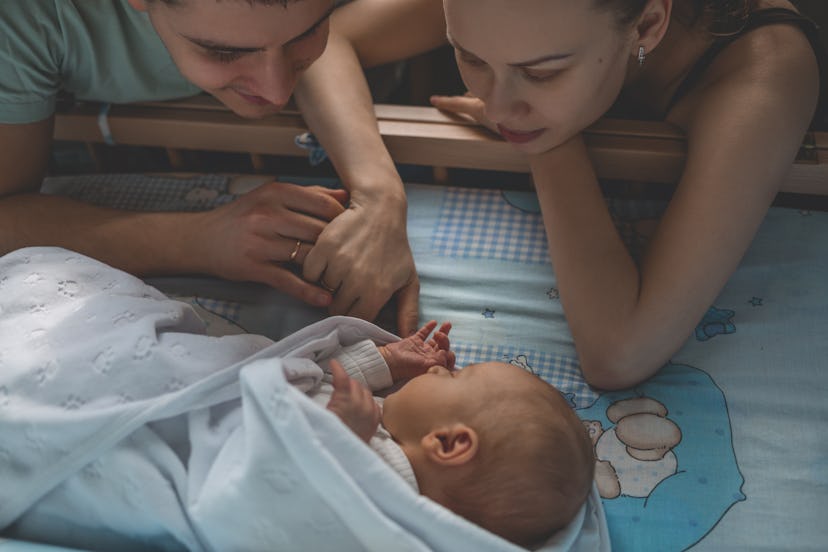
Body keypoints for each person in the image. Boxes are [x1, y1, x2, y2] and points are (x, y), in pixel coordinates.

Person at [311, 0, 825, 388]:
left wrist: (550, 148)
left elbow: (621, 353)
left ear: (647, 24)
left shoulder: (764, 65)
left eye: (541, 73)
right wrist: (378, 195)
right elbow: (321, 42)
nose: (496, 106)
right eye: (468, 57)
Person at [0, 0, 419, 336]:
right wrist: (198, 240)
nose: (276, 92)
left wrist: (381, 197)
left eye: (309, 30)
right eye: (223, 52)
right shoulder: (24, 17)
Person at [320, 323, 596, 548]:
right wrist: (388, 362)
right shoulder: (385, 438)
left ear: (448, 443)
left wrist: (341, 437)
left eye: (452, 377)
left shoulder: (376, 481)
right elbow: (316, 379)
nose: (439, 368)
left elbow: (303, 485)